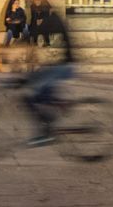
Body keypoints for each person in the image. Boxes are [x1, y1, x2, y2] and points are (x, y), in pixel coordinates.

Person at [23, 9, 75, 146]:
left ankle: (46, 133)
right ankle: (58, 104)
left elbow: (38, 31)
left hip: (63, 67)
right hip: (61, 65)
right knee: (40, 90)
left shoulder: (53, 18)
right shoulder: (53, 17)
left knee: (33, 98)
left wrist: (23, 40)